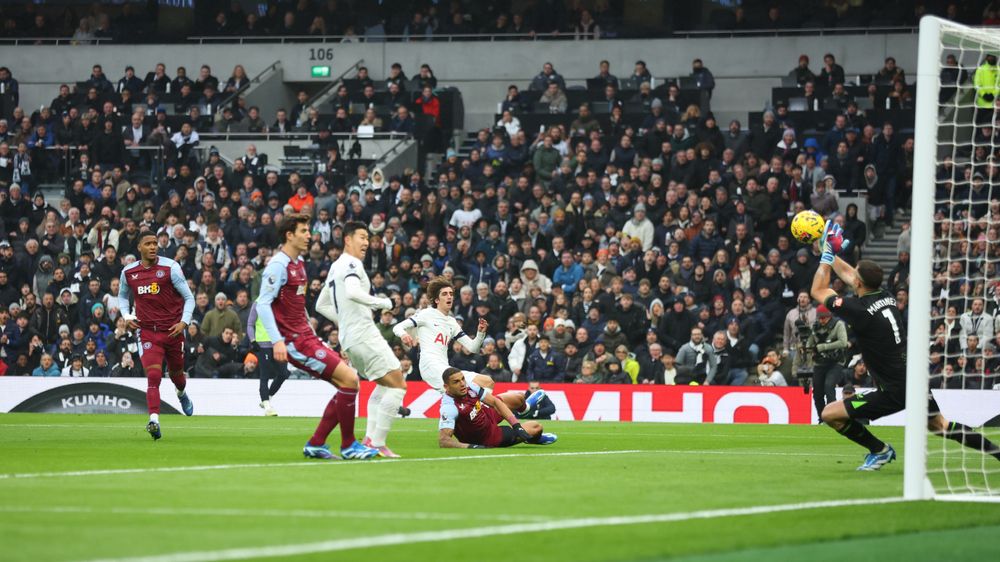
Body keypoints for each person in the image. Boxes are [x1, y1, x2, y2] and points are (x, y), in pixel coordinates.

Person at [810, 223, 1000, 471]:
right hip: (913, 378)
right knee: (940, 426)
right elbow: (850, 275)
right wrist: (830, 251)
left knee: (829, 414)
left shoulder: (860, 311)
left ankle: (879, 450)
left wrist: (825, 258)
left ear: (858, 283)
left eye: (855, 276)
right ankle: (997, 452)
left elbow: (817, 290)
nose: (851, 276)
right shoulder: (885, 294)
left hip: (893, 390)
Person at [256, 213, 378, 461]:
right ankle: (348, 446)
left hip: (306, 337)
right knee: (350, 378)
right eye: (303, 231)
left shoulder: (298, 263)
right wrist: (278, 340)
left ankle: (316, 443)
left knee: (348, 383)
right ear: (289, 235)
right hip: (293, 342)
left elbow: (296, 306)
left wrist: (313, 334)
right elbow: (262, 304)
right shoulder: (278, 265)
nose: (309, 235)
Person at [315, 221, 405, 458]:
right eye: (362, 237)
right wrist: (385, 303)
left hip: (351, 337)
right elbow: (354, 293)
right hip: (364, 333)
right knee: (398, 384)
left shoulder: (335, 266)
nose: (366, 242)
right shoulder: (352, 263)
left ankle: (370, 438)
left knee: (383, 384)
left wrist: (343, 322)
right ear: (348, 239)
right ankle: (377, 442)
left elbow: (320, 304)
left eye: (368, 238)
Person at [118, 232, 195, 440]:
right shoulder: (128, 273)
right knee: (153, 377)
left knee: (177, 376)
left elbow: (189, 298)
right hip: (147, 333)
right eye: (148, 244)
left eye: (155, 243)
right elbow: (122, 298)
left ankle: (181, 393)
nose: (153, 247)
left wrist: (184, 322)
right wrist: (126, 315)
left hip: (173, 331)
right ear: (139, 248)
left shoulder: (171, 268)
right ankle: (154, 420)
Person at [392, 276, 493, 392]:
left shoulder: (452, 322)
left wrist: (480, 333)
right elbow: (397, 327)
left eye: (451, 293)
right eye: (444, 294)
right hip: (430, 366)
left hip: (445, 368)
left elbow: (473, 348)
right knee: (468, 391)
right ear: (436, 300)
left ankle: (472, 409)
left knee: (488, 382)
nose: (449, 296)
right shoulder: (426, 314)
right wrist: (404, 335)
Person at [438, 368, 556, 449]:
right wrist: (470, 446)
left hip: (486, 413)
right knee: (536, 427)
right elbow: (444, 440)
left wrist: (516, 425)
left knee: (519, 398)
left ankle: (526, 409)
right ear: (446, 387)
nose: (462, 383)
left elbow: (494, 402)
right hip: (489, 437)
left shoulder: (469, 386)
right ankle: (532, 438)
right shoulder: (449, 407)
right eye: (456, 382)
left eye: (462, 379)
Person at [806, 304, 848, 419]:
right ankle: (822, 417)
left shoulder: (838, 324)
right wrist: (807, 346)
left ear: (830, 316)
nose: (821, 320)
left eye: (824, 317)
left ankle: (833, 417)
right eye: (819, 318)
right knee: (817, 393)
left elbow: (843, 342)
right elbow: (809, 343)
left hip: (835, 362)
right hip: (820, 363)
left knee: (829, 387)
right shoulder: (814, 327)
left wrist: (823, 347)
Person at [247, 302, 288, 416]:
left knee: (284, 373)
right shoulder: (258, 303)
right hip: (264, 345)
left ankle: (267, 397)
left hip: (278, 344)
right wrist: (253, 340)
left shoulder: (280, 301)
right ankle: (267, 406)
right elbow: (250, 324)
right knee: (264, 375)